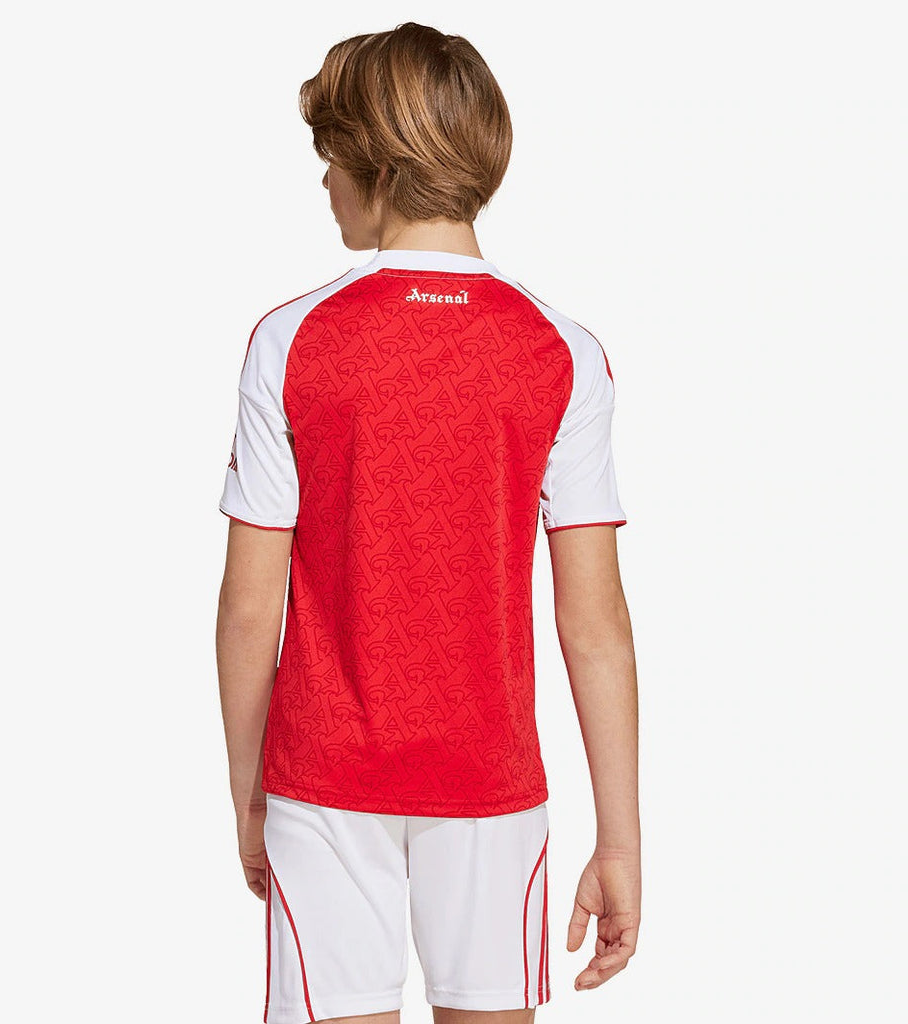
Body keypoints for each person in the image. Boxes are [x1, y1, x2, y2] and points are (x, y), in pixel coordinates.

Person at [215, 21, 640, 1024]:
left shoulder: (292, 340)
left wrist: (250, 791)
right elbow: (594, 625)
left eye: (330, 156)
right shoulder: (560, 351)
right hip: (492, 785)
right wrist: (619, 840)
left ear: (377, 165)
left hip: (322, 779)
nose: (323, 182)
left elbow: (247, 608)